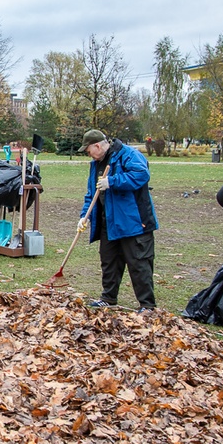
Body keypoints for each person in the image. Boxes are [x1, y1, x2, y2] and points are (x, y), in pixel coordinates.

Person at [77, 129, 158, 312]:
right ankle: (108, 298)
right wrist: (85, 216)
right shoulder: (96, 164)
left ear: (97, 145)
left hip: (134, 222)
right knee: (109, 261)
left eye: (89, 151)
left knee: (139, 263)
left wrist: (112, 181)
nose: (89, 155)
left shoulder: (128, 155)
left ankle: (147, 305)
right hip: (110, 222)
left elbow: (141, 175)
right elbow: (92, 193)